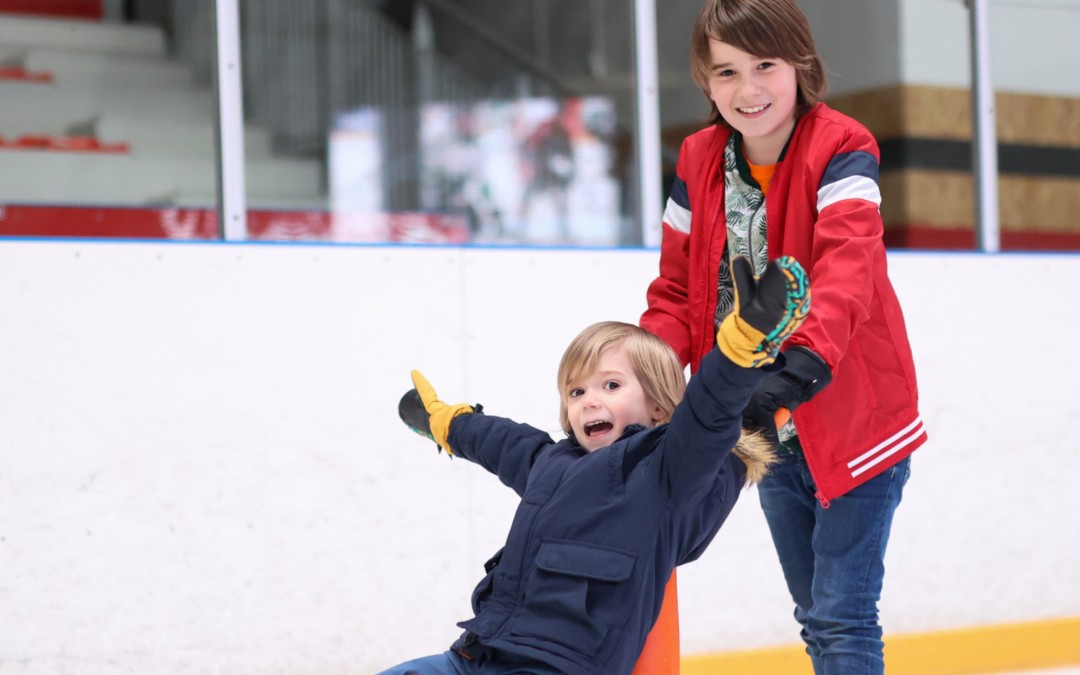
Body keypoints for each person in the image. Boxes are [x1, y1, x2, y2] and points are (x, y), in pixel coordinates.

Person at [640, 1, 925, 673]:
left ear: (801, 64)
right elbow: (678, 293)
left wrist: (798, 368)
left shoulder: (843, 146)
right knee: (815, 617)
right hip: (761, 429)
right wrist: (643, 377)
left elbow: (847, 272)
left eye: (765, 65)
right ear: (705, 83)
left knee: (843, 615)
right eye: (726, 71)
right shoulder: (697, 157)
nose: (748, 89)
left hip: (855, 418)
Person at [379, 255, 809, 675]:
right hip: (482, 652)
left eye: (610, 384)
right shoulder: (549, 462)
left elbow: (708, 413)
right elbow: (497, 441)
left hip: (564, 665)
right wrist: (445, 423)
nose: (589, 401)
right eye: (576, 392)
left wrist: (738, 350)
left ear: (659, 405)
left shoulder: (665, 473)